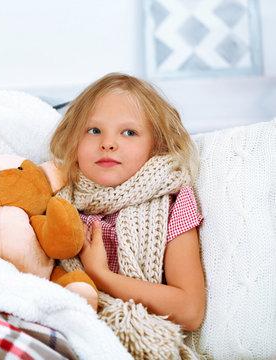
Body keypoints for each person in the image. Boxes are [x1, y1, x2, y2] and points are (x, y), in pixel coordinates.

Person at [49, 73, 206, 333]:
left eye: (129, 132)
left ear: (156, 146)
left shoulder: (172, 205)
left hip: (130, 336)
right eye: (93, 130)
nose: (108, 143)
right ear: (74, 141)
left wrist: (100, 275)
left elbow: (190, 311)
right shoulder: (58, 202)